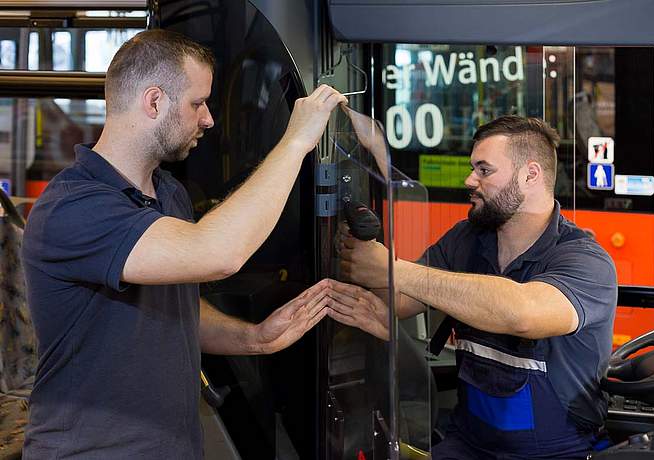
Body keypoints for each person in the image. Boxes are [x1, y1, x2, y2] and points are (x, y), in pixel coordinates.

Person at [20, 30, 346, 459]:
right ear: (154, 102)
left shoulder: (168, 193)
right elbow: (217, 253)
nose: (209, 118)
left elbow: (175, 306)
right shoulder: (72, 208)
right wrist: (296, 141)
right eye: (198, 103)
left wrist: (254, 339)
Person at [329, 115, 617, 459]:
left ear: (530, 175)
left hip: (555, 452)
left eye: (484, 170)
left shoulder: (585, 260)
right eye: (472, 168)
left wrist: (392, 269)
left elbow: (521, 313)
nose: (470, 180)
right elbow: (401, 302)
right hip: (468, 443)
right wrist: (368, 262)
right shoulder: (466, 240)